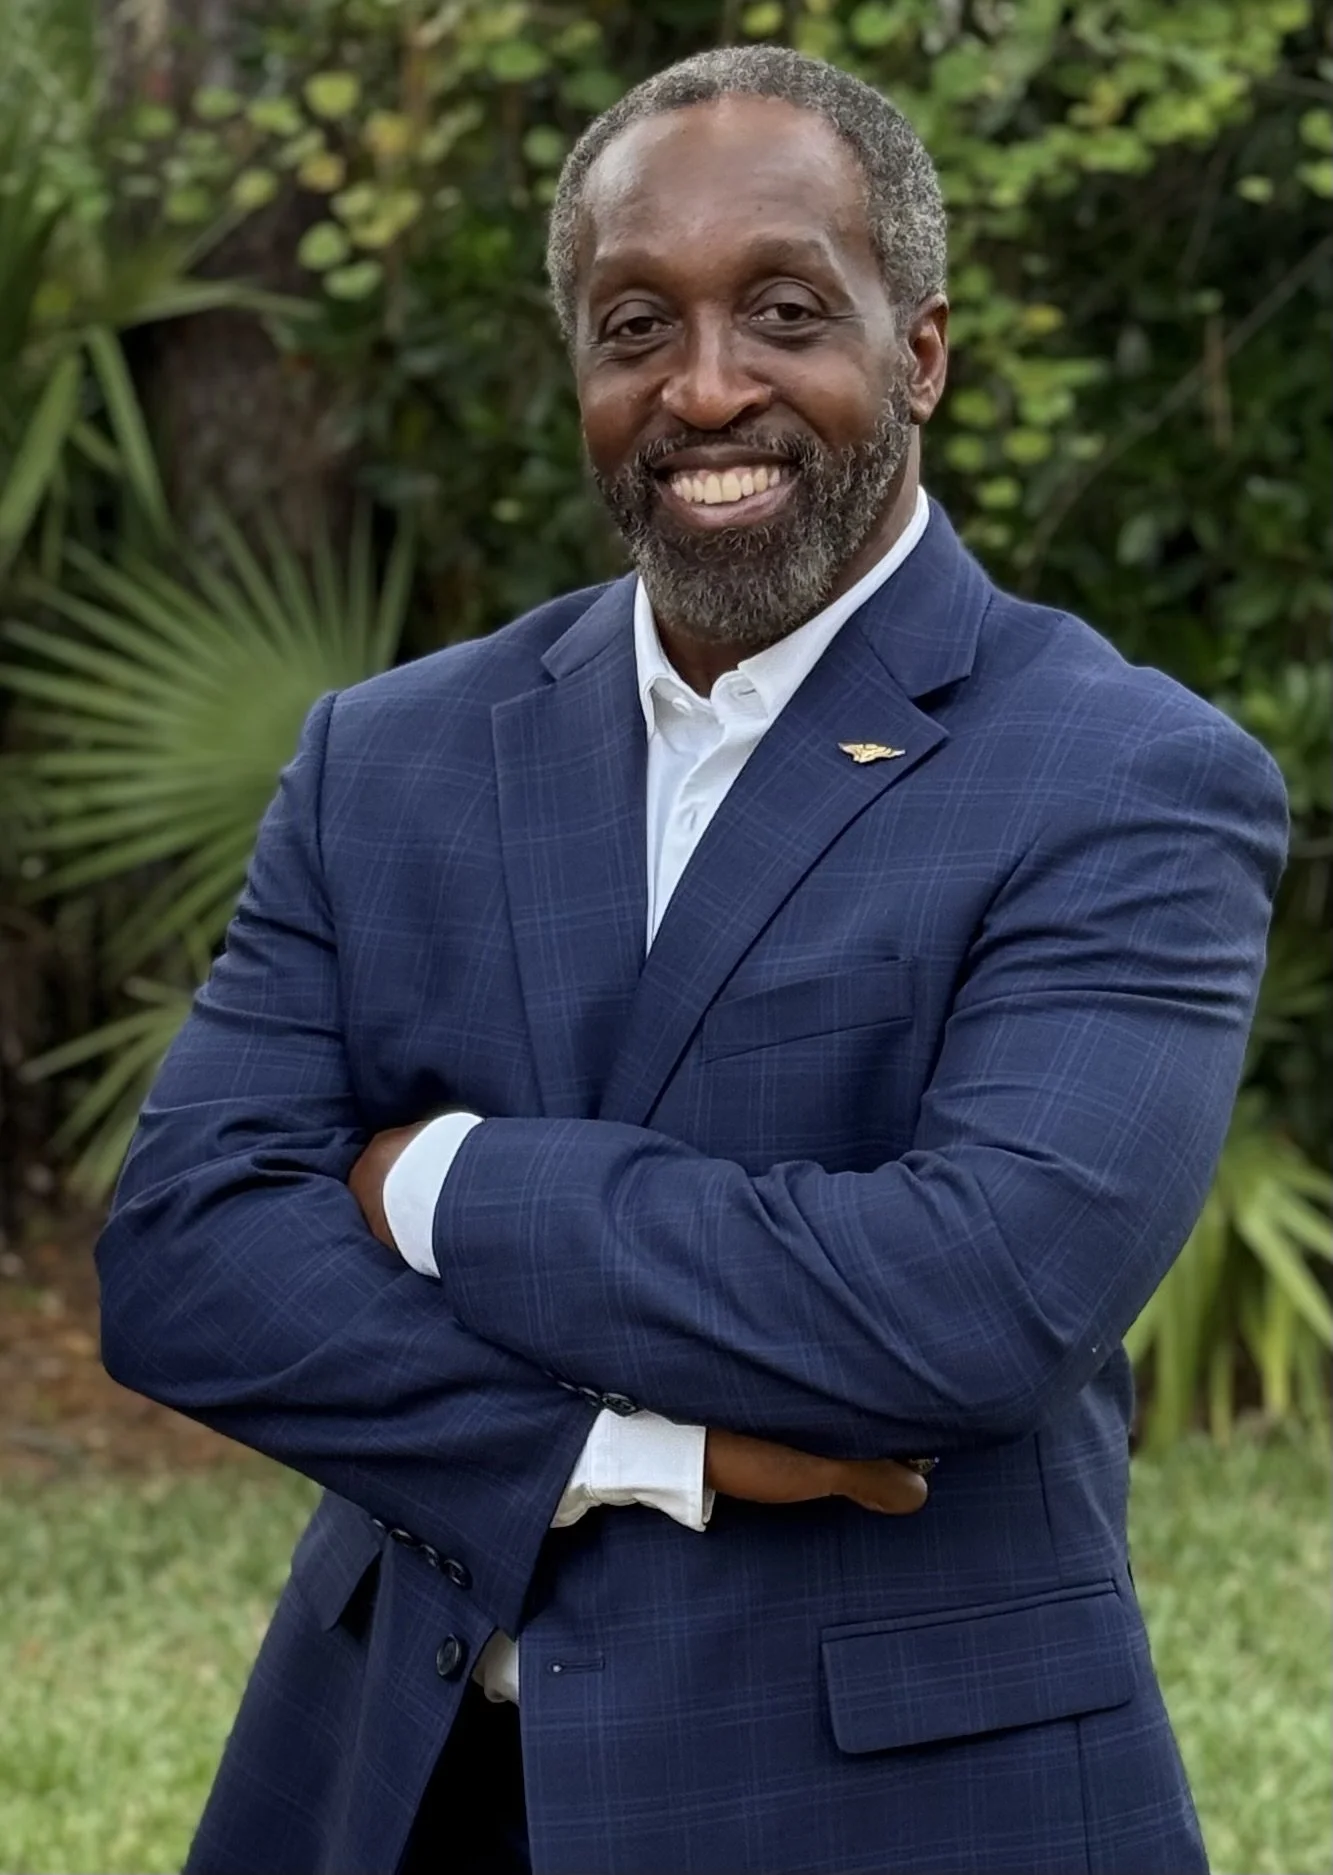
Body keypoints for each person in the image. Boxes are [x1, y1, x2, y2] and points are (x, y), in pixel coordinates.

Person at [96, 44, 1287, 1875]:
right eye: (636, 322)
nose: (706, 387)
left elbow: (966, 1305)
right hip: (399, 1783)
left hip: (889, 1809)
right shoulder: (390, 752)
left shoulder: (1125, 774)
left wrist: (439, 1175)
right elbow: (183, 1259)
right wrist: (657, 1454)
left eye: (787, 310)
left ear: (922, 352)